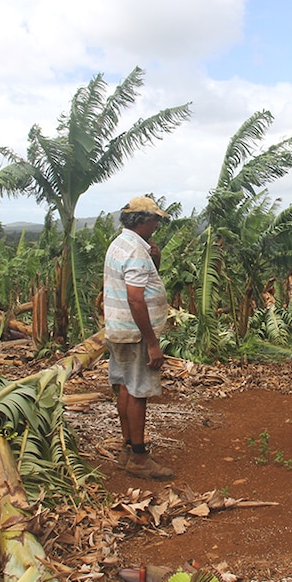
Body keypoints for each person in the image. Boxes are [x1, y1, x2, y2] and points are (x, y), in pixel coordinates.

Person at [103, 196, 175, 480]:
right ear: (143, 221)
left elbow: (135, 285)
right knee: (138, 393)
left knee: (125, 387)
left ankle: (127, 448)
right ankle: (139, 458)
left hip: (119, 329)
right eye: (155, 219)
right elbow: (135, 299)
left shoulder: (120, 243)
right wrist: (153, 343)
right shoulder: (134, 250)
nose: (157, 224)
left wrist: (154, 261)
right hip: (135, 334)